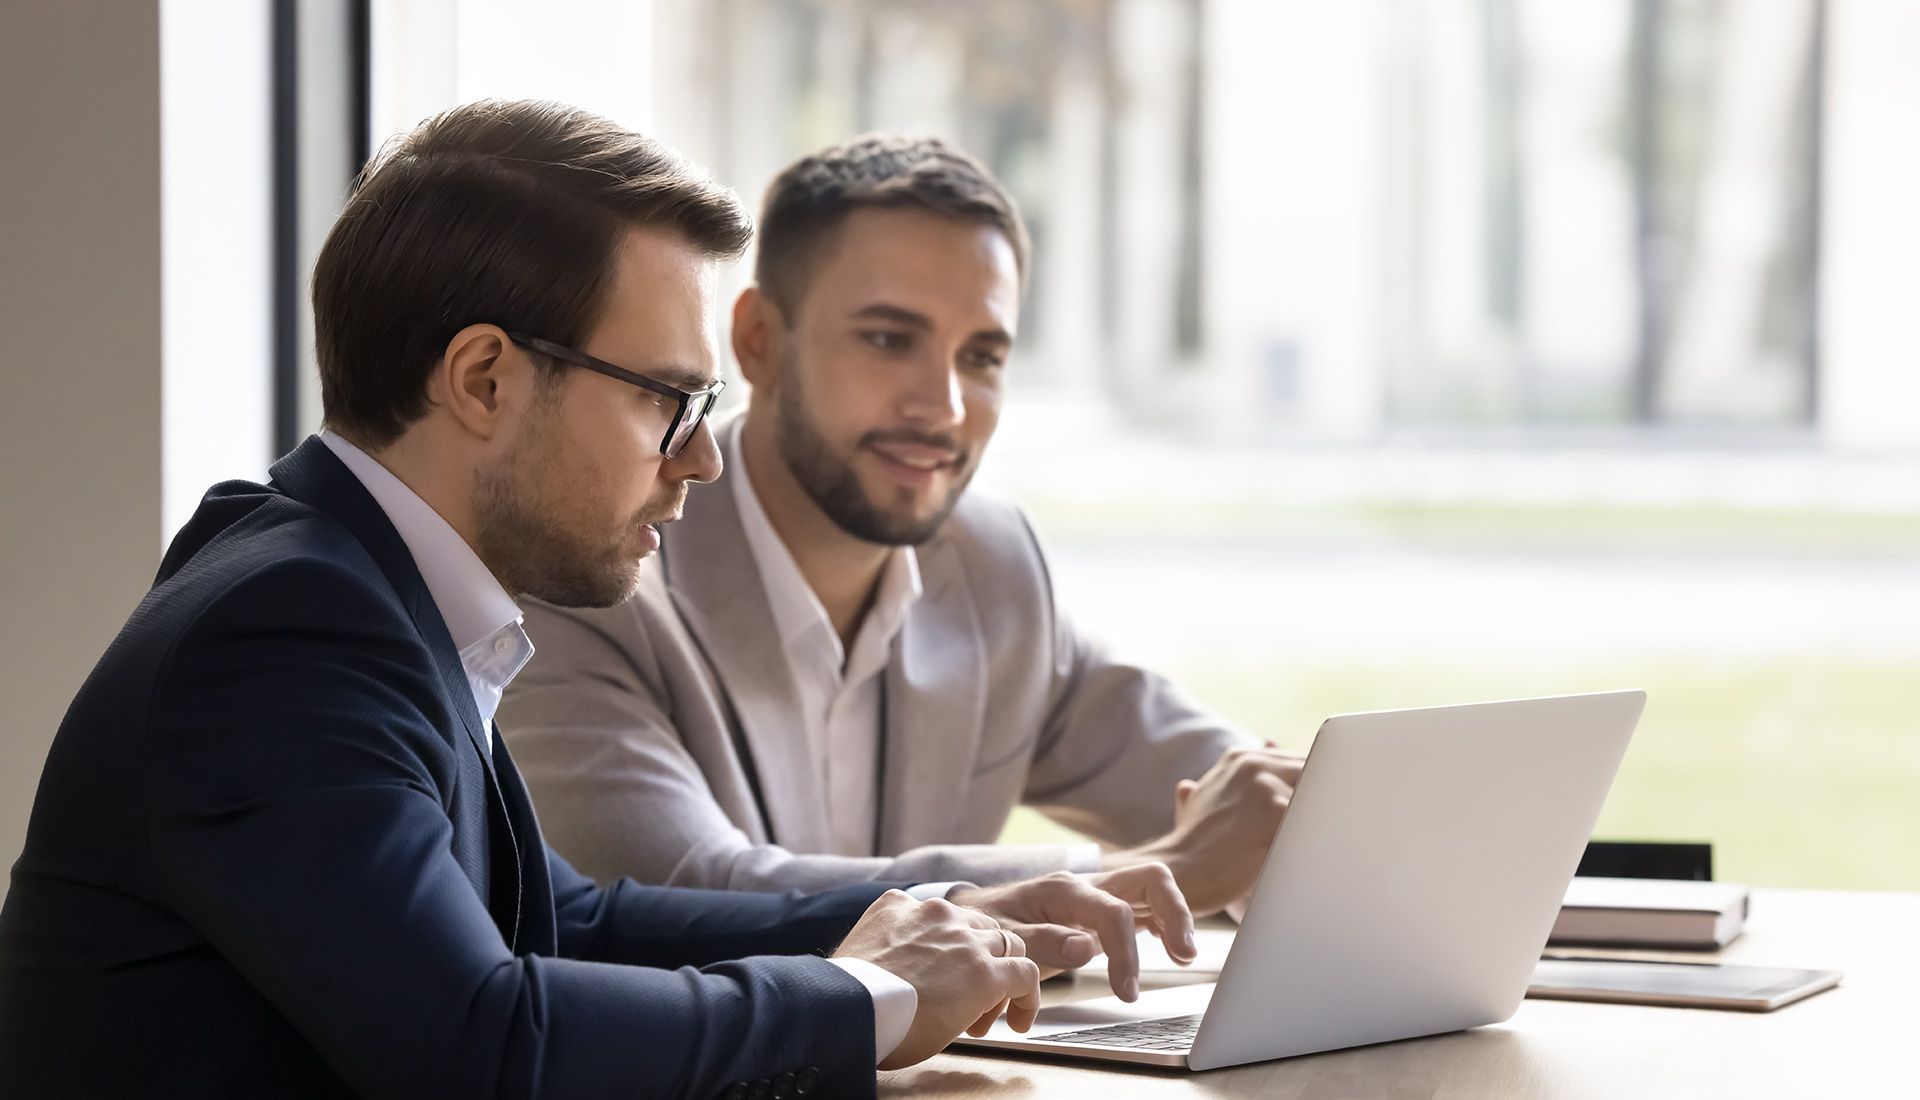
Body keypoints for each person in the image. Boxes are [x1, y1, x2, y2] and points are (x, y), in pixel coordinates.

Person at [0, 101, 1195, 1099]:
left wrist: (934, 909)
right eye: (668, 400)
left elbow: (567, 922)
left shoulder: (355, 584)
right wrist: (869, 993)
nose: (703, 457)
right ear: (483, 379)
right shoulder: (289, 633)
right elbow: (483, 1040)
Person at [499, 135, 1304, 918]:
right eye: (889, 340)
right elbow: (695, 894)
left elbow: (1235, 796)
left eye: (982, 357)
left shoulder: (991, 564)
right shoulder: (594, 569)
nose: (944, 407)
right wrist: (1154, 877)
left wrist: (1305, 814)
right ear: (758, 342)